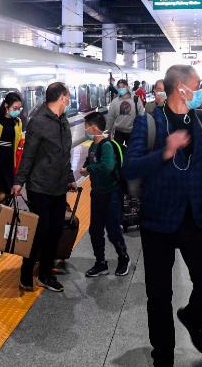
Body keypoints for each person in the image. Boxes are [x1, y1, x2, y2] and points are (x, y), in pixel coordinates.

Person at [124, 65, 202, 367]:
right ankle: (163, 358)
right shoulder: (149, 123)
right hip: (158, 222)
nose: (200, 91)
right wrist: (164, 153)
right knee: (158, 297)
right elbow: (130, 168)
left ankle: (192, 317)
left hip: (198, 219)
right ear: (181, 88)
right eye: (196, 86)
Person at [11, 82, 77, 293]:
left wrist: (70, 177)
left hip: (58, 187)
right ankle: (26, 273)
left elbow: (64, 154)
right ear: (61, 97)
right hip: (39, 186)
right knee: (41, 233)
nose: (69, 99)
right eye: (67, 96)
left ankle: (45, 272)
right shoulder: (38, 122)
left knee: (56, 231)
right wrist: (18, 182)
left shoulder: (63, 121)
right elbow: (28, 155)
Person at [79, 112, 130, 278]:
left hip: (111, 194)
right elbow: (92, 161)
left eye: (86, 126)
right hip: (97, 194)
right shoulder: (93, 145)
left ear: (93, 128)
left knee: (113, 230)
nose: (85, 129)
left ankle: (124, 258)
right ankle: (100, 263)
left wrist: (89, 169)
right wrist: (88, 167)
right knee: (95, 230)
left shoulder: (106, 145)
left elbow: (107, 166)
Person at [105, 79, 144, 147]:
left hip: (132, 131)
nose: (121, 89)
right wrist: (107, 131)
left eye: (123, 86)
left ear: (127, 87)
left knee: (131, 153)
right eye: (119, 87)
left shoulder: (136, 99)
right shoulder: (115, 102)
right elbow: (110, 117)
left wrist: (142, 130)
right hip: (118, 132)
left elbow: (141, 114)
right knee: (117, 152)